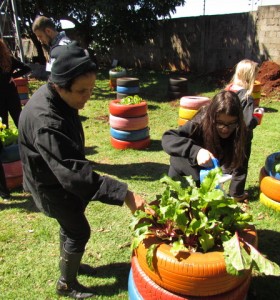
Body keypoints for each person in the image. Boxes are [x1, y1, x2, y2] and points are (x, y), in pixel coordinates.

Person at [18, 42, 145, 299]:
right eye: (81, 91)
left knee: (70, 224)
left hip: (56, 178)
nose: (88, 95)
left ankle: (70, 263)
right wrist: (126, 195)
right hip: (50, 185)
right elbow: (73, 174)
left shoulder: (60, 98)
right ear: (59, 85)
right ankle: (66, 282)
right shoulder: (46, 121)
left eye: (91, 88)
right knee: (78, 229)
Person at [162, 90, 247, 195]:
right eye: (220, 123)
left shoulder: (241, 131)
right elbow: (168, 138)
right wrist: (196, 152)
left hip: (206, 178)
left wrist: (235, 194)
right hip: (182, 173)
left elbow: (241, 163)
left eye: (231, 124)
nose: (225, 129)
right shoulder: (200, 122)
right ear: (212, 118)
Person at [224, 59, 261, 201]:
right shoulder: (246, 97)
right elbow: (247, 123)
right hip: (240, 138)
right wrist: (256, 118)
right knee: (240, 164)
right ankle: (237, 194)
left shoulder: (227, 90)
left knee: (225, 161)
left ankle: (215, 186)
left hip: (225, 135)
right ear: (249, 77)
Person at [0, 39, 31, 128]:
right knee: (4, 120)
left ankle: (24, 137)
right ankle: (7, 139)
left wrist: (13, 76)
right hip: (8, 92)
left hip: (10, 92)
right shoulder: (9, 59)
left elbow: (27, 68)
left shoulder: (9, 59)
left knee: (17, 117)